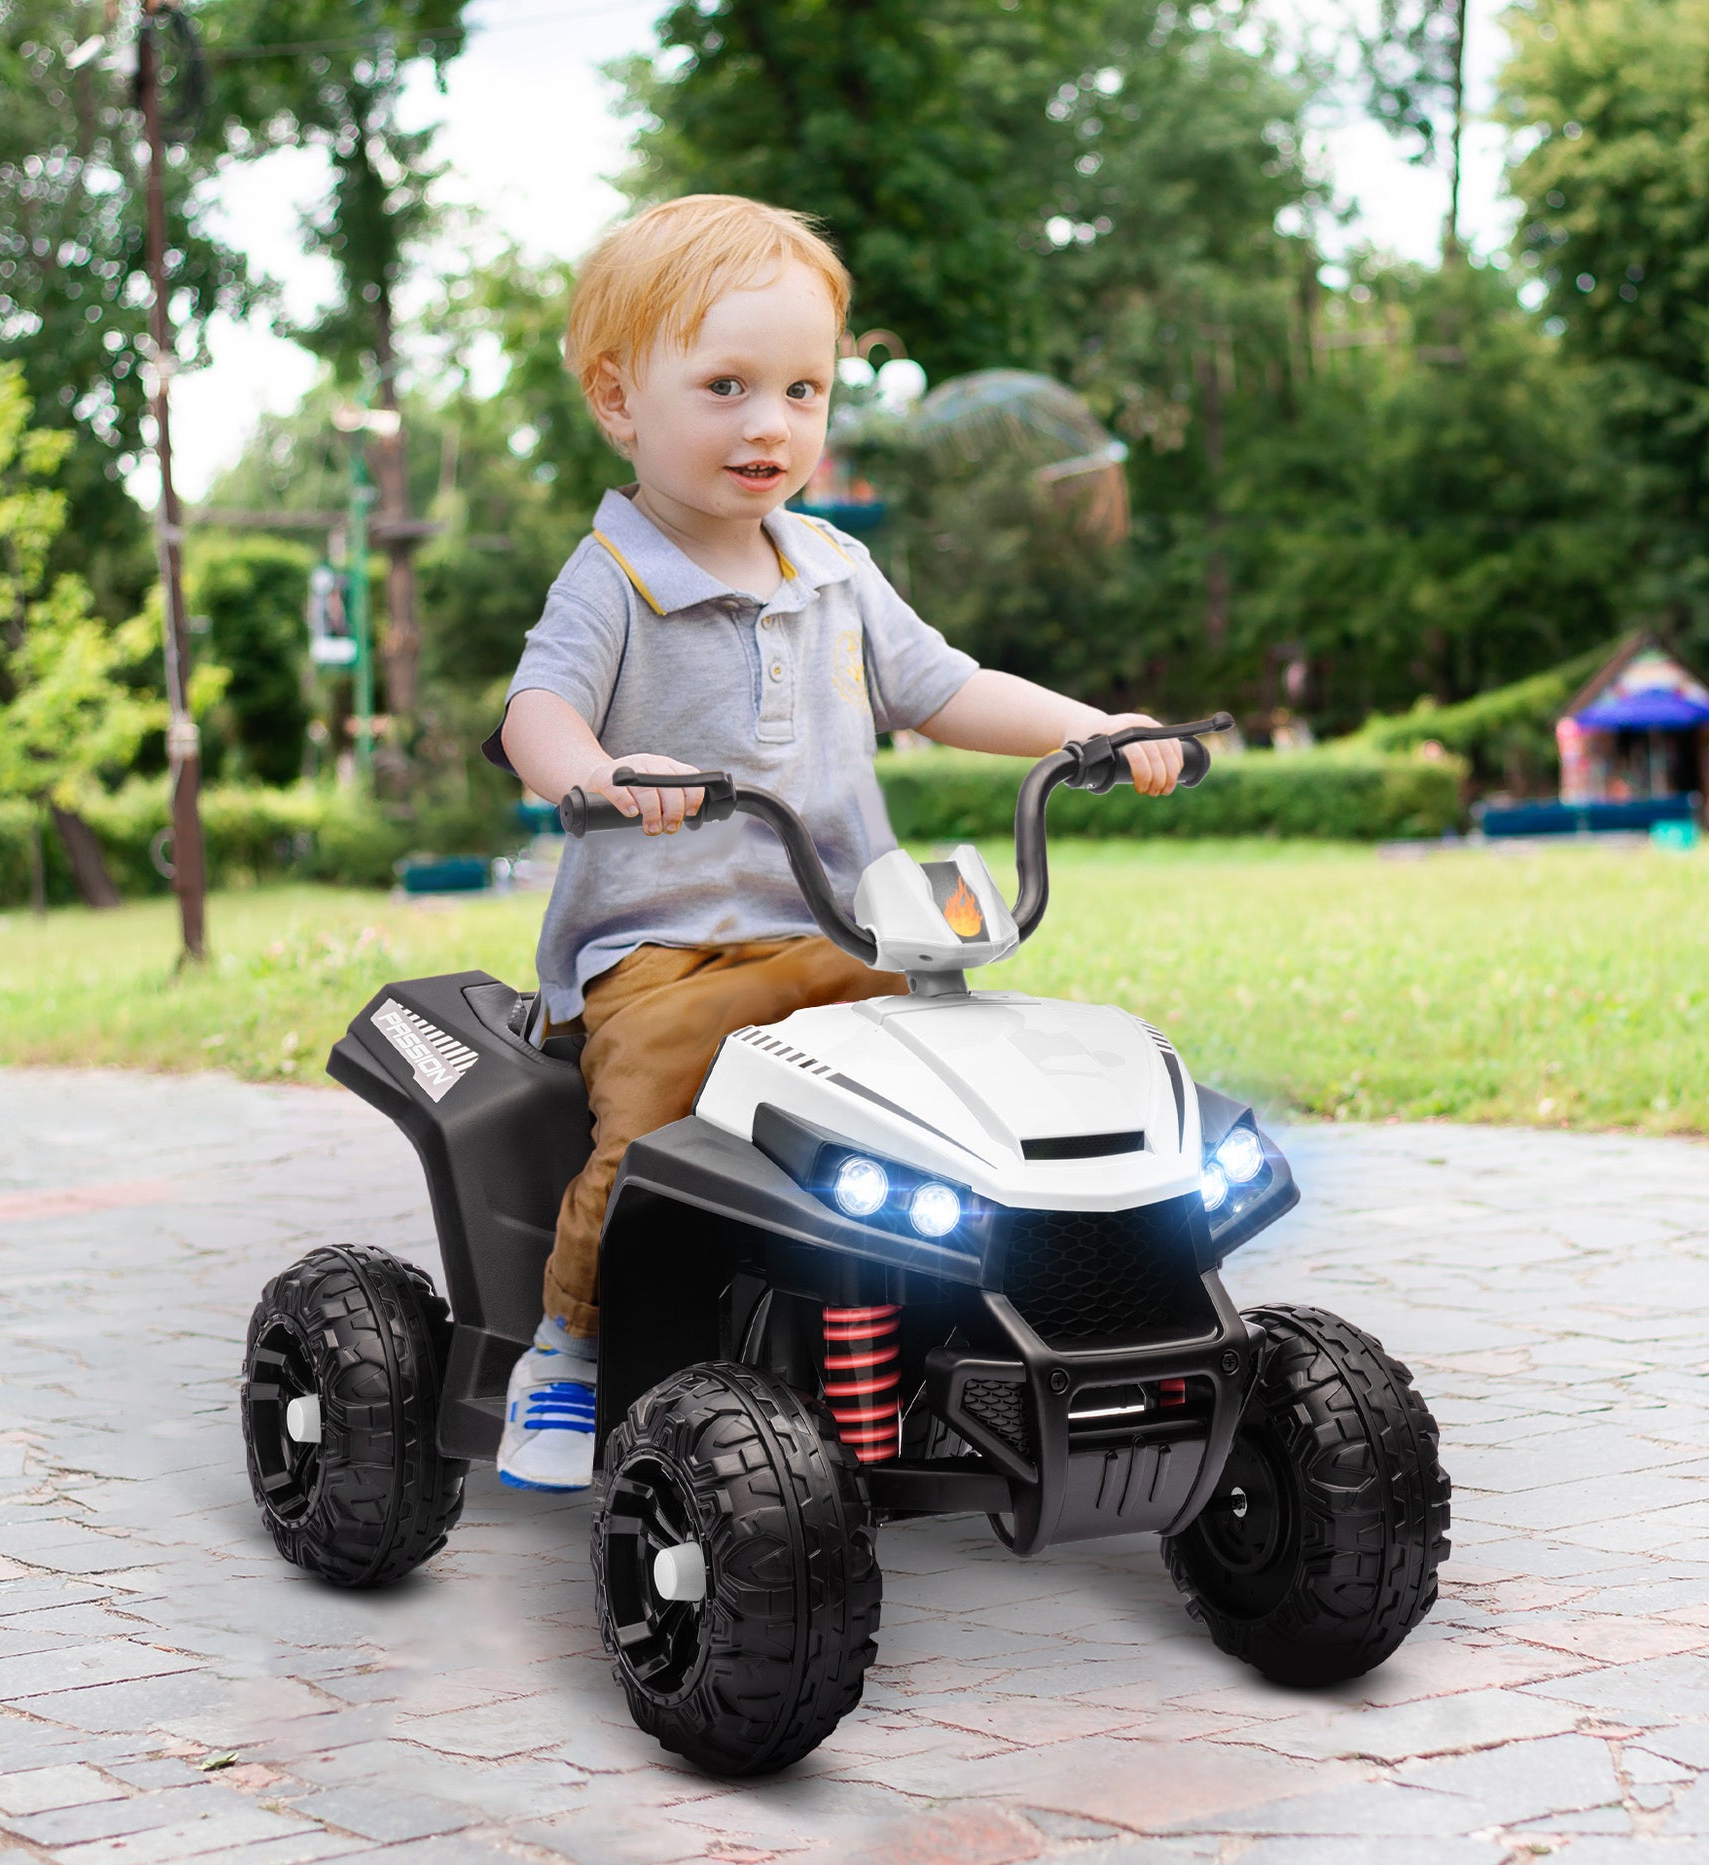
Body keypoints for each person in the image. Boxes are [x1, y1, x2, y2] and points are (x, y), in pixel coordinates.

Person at [484, 193, 1186, 1490]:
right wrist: (591, 770)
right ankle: (568, 1347)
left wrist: (1093, 728)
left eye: (802, 390)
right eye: (727, 385)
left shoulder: (834, 569)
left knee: (965, 1085)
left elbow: (944, 684)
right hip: (665, 956)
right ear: (617, 398)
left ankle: (983, 1319)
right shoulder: (613, 575)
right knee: (650, 1116)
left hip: (844, 934)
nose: (770, 424)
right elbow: (537, 709)